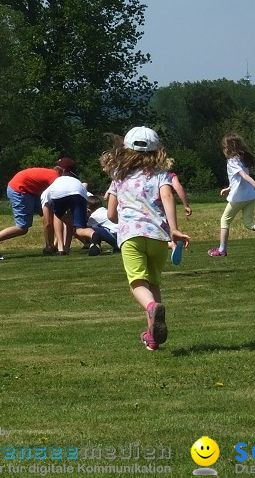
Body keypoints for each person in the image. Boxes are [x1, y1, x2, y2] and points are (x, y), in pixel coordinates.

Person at [104, 127, 189, 351]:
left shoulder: (118, 176)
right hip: (158, 236)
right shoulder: (161, 174)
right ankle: (152, 336)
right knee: (153, 282)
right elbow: (168, 196)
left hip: (131, 236)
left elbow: (111, 214)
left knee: (137, 283)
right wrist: (174, 229)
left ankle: (152, 308)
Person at [208, 133, 255, 257]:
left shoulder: (232, 161)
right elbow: (238, 181)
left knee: (224, 221)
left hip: (239, 197)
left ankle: (222, 250)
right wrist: (229, 188)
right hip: (250, 196)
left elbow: (244, 176)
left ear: (228, 148)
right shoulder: (242, 160)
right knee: (249, 223)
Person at [0, 160, 67, 256]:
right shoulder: (55, 178)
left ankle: (51, 246)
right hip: (19, 190)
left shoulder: (52, 173)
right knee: (22, 227)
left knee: (53, 216)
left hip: (29, 191)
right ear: (63, 172)